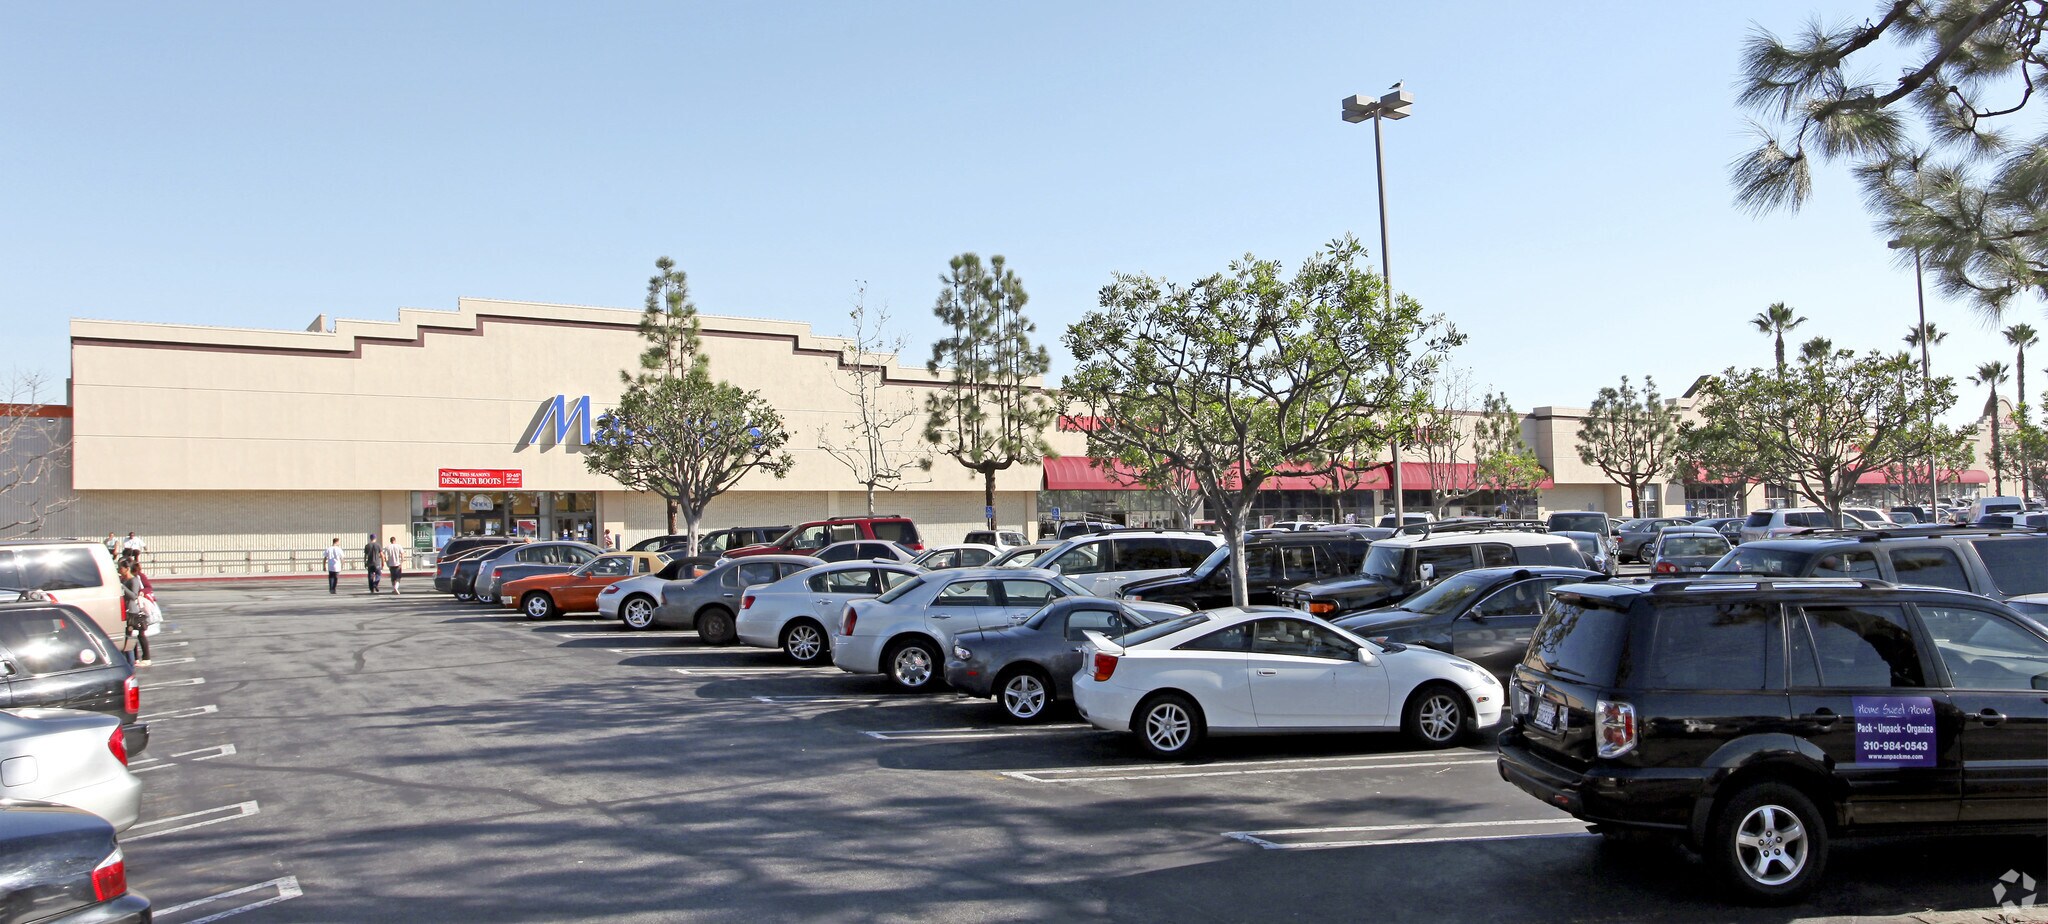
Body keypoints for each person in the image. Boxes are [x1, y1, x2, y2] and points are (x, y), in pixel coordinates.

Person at [117, 561, 150, 666]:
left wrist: (123, 587)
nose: (119, 570)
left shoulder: (133, 580)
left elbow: (134, 596)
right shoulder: (123, 579)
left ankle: (146, 658)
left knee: (139, 635)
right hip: (126, 611)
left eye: (120, 568)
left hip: (133, 611)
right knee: (130, 636)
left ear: (127, 568)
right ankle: (134, 659)